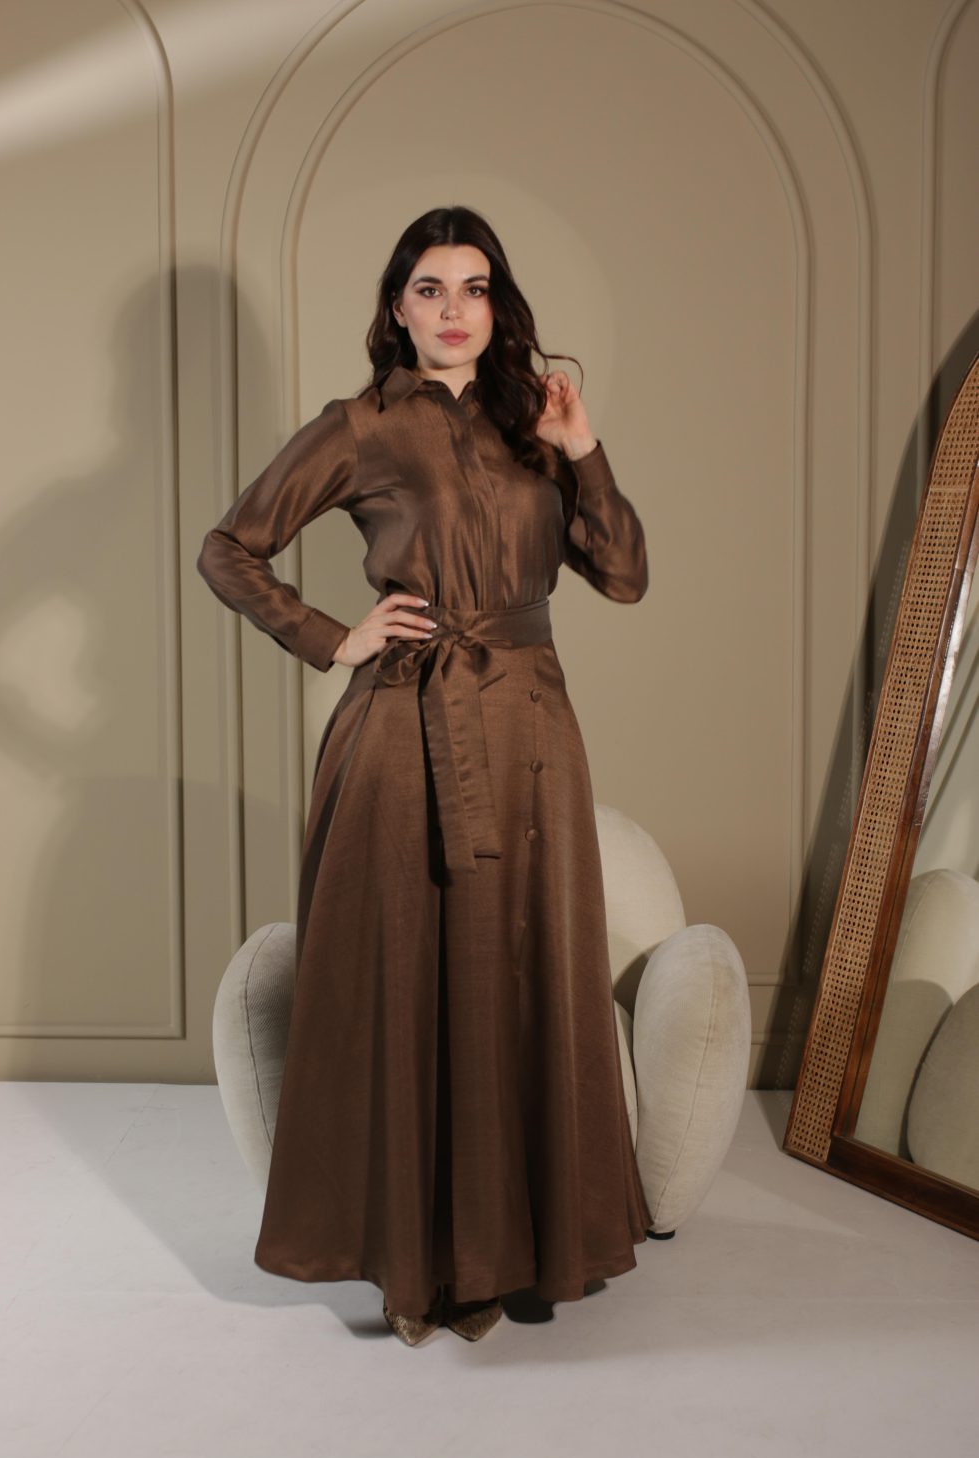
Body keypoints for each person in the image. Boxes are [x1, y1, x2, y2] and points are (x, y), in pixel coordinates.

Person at [197, 205, 653, 1347]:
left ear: (498, 307)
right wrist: (334, 637)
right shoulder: (357, 427)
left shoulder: (536, 424)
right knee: (406, 978)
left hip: (533, 730)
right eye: (431, 289)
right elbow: (229, 548)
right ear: (397, 308)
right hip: (405, 730)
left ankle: (515, 1252)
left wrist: (584, 446)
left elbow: (624, 574)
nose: (454, 310)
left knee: (522, 971)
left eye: (475, 288)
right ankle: (416, 1264)